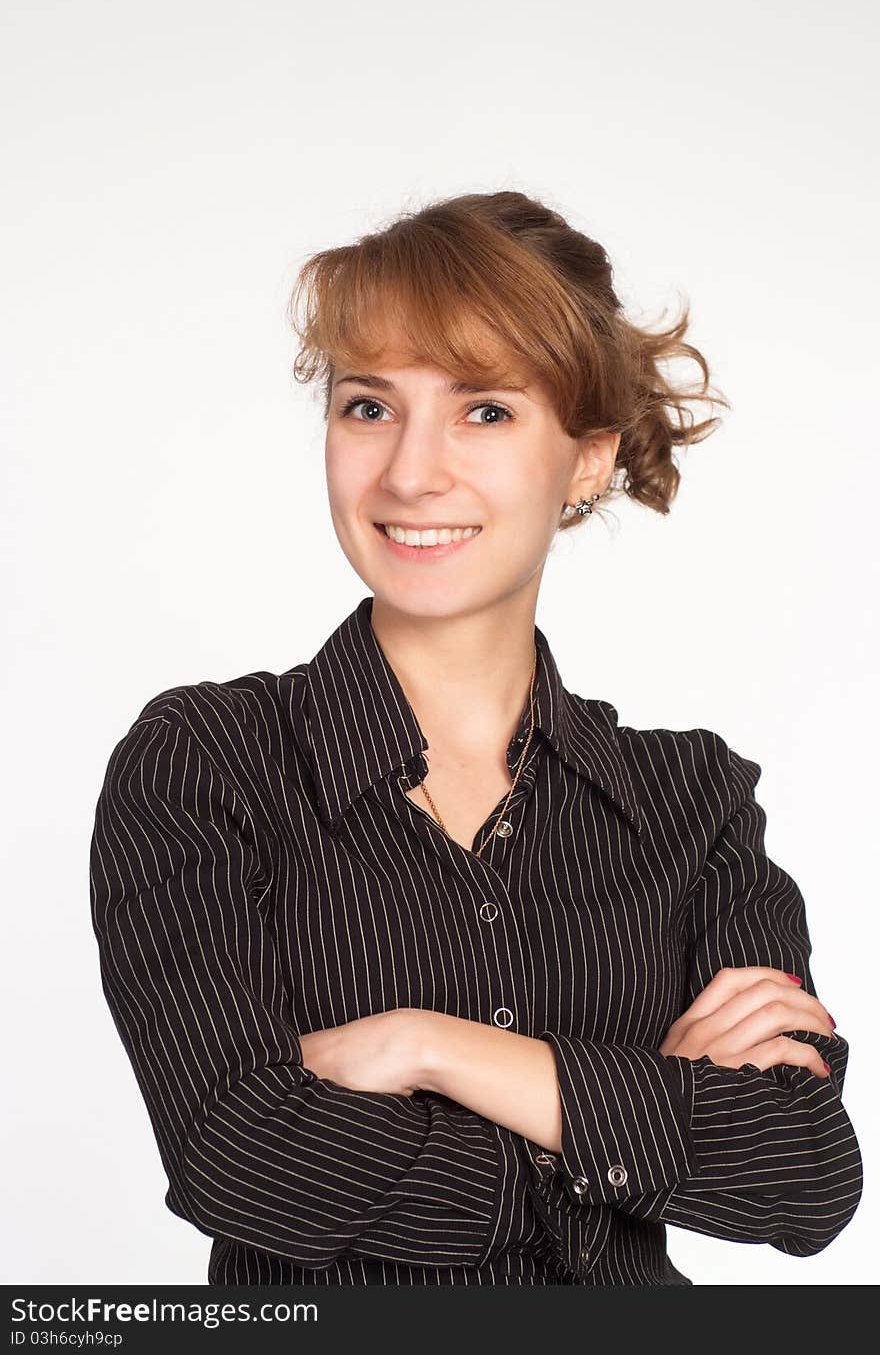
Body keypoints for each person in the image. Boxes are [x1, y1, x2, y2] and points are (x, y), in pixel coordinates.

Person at [89, 190, 862, 1286]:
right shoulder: (207, 762)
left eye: (484, 410)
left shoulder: (687, 797)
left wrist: (425, 1043)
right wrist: (628, 1115)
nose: (409, 472)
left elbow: (802, 1172)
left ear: (586, 460)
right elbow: (240, 1155)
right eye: (368, 406)